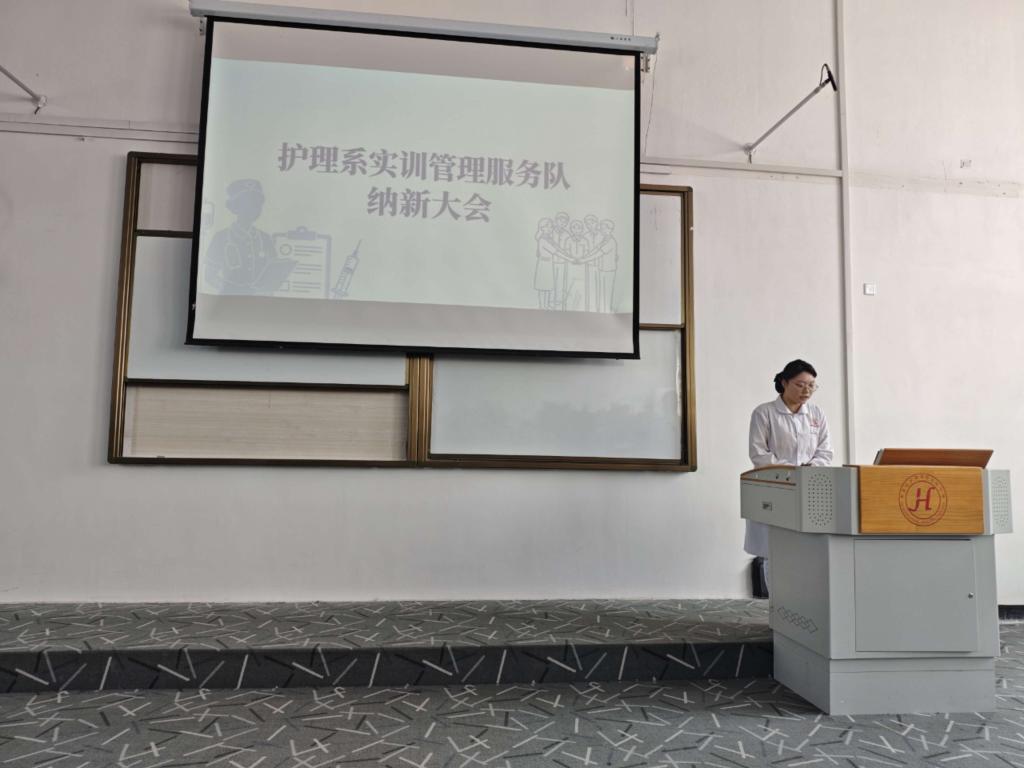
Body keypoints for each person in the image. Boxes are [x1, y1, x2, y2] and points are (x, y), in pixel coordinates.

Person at [746, 359, 833, 590]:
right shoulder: (764, 413)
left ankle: (802, 600)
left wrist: (811, 469)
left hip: (809, 487)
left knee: (807, 547)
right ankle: (776, 603)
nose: (806, 391)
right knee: (774, 549)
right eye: (800, 385)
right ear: (784, 382)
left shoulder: (816, 414)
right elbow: (759, 454)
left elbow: (825, 451)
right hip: (775, 487)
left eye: (811, 385)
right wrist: (793, 472)